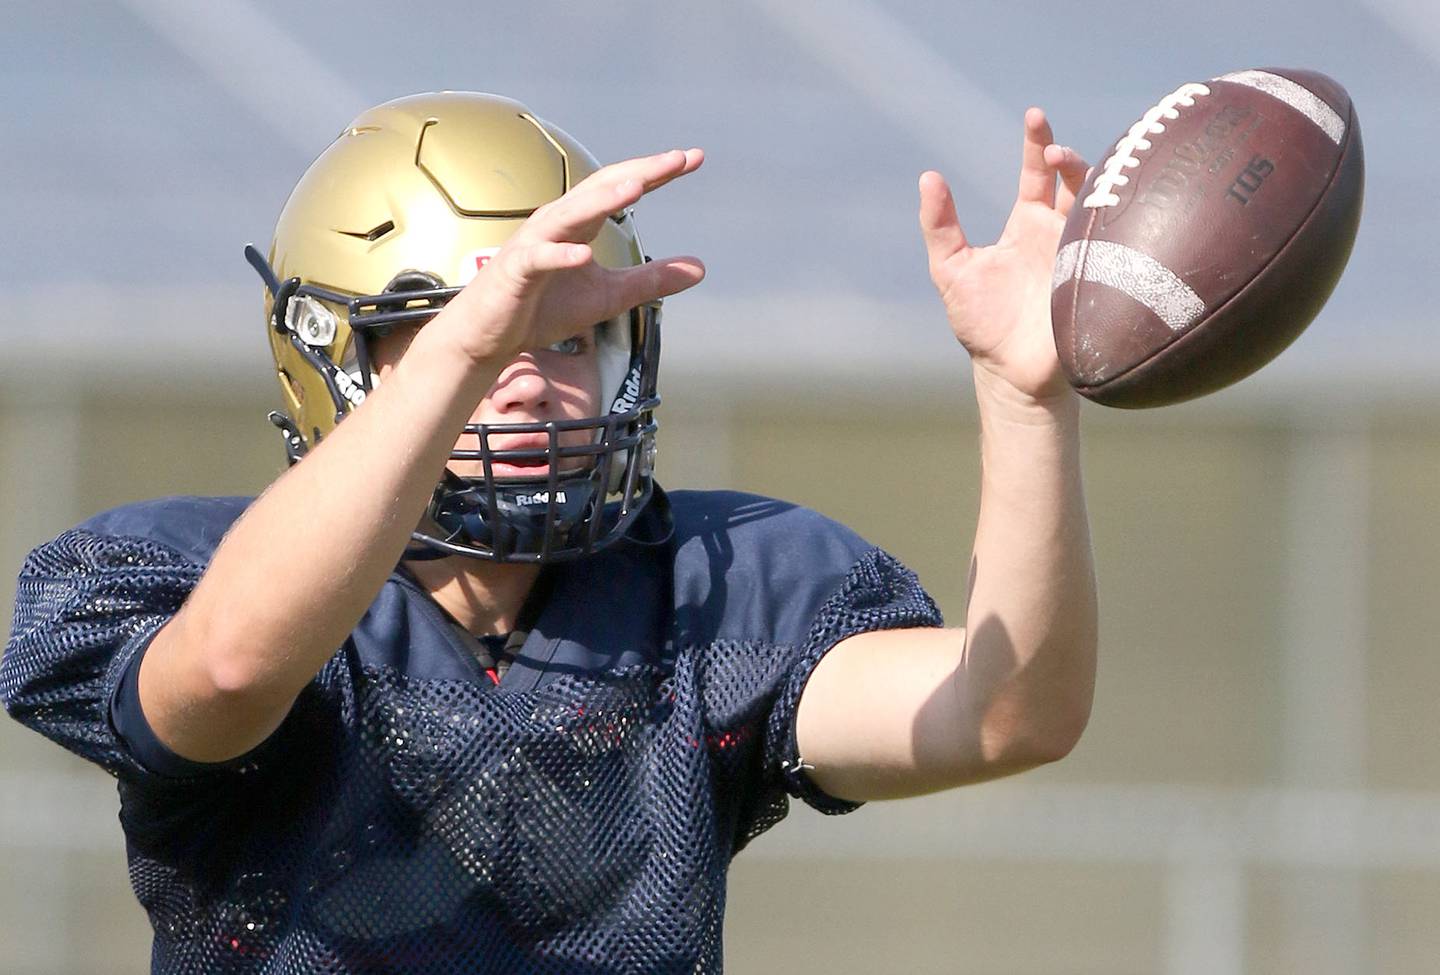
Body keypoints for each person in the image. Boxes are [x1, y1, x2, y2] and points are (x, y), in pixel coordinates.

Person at [0, 91, 1097, 973]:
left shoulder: (712, 584)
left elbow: (1008, 714)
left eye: (569, 341)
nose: (523, 381)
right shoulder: (184, 576)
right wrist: (466, 346)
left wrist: (1025, 397)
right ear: (330, 362)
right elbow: (230, 669)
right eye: (464, 335)